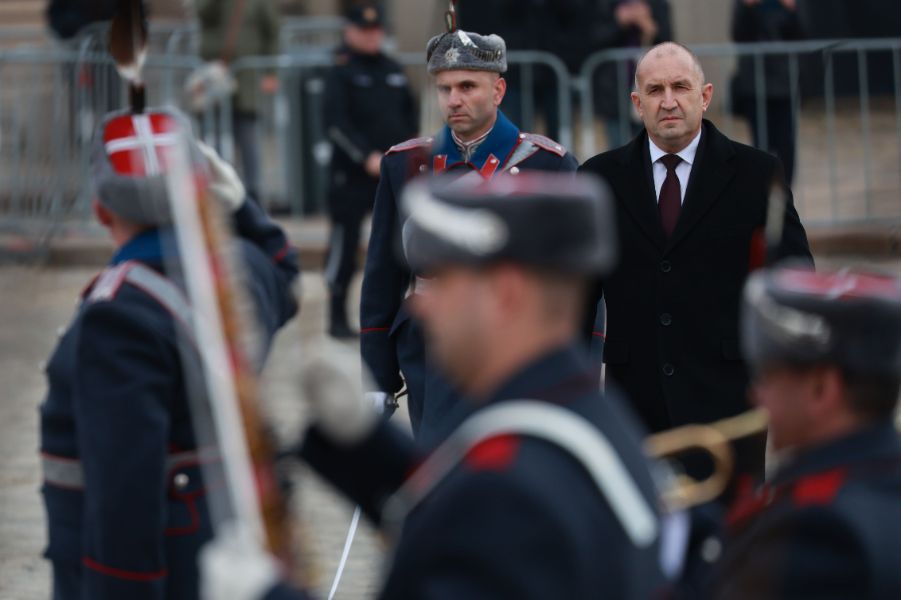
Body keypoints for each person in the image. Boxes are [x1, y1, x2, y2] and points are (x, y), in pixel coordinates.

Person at [201, 173, 673, 600]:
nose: (421, 306)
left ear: (506, 294)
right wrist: (365, 444)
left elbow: (486, 513)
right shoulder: (581, 413)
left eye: (441, 280)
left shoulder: (510, 492)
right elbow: (469, 519)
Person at [39, 107, 299, 600]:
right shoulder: (239, 269)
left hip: (167, 572)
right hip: (233, 553)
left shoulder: (117, 316)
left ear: (101, 210)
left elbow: (125, 499)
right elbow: (284, 271)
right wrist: (240, 207)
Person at [579, 42, 812, 480]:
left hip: (729, 402)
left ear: (704, 96)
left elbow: (792, 282)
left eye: (680, 87)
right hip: (635, 403)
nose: (668, 101)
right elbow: (573, 298)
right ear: (637, 102)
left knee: (732, 540)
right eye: (655, 90)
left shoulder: (756, 175)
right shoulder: (598, 180)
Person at [360, 27, 579, 445]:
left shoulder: (548, 166)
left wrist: (577, 366)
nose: (454, 100)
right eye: (444, 89)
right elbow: (382, 277)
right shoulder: (405, 165)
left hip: (519, 346)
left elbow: (578, 283)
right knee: (439, 467)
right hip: (430, 347)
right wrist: (376, 374)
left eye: (467, 86)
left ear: (498, 90)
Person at [708, 265, 901, 599]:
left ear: (820, 389)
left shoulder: (821, 534)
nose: (755, 394)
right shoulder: (883, 477)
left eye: (766, 376)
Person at [322, 2, 418, 339]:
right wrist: (365, 156)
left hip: (391, 175)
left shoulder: (392, 68)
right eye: (364, 31)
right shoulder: (340, 70)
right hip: (351, 176)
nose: (372, 36)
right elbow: (334, 123)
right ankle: (335, 317)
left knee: (397, 248)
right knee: (344, 248)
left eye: (376, 30)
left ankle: (392, 318)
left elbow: (410, 116)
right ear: (349, 32)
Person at [196, 0, 280, 202]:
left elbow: (272, 31)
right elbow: (203, 15)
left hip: (247, 77)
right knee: (211, 137)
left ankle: (252, 193)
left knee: (247, 136)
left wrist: (271, 72)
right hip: (215, 74)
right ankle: (215, 189)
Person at [730, 0, 805, 183]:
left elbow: (800, 36)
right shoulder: (744, 5)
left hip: (784, 85)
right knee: (760, 144)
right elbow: (739, 35)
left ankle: (785, 193)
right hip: (754, 85)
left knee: (786, 144)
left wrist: (792, 9)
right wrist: (748, 8)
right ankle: (761, 192)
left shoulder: (788, 6)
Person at [591, 0, 673, 149]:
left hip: (650, 86)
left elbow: (668, 42)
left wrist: (648, 25)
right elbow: (594, 39)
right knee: (617, 146)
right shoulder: (606, 4)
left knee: (649, 145)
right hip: (613, 88)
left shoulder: (657, 4)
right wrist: (619, 23)